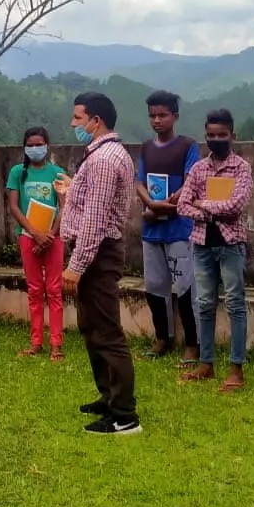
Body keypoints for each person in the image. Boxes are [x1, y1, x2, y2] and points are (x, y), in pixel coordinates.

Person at [60, 92, 140, 435]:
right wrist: (73, 190)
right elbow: (93, 202)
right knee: (91, 327)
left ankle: (124, 415)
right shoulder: (102, 154)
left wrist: (76, 266)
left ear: (97, 121)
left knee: (106, 331)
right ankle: (108, 397)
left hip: (97, 253)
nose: (73, 124)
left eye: (78, 118)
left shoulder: (104, 159)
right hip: (95, 250)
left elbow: (95, 219)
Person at [176, 110, 253, 392]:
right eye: (211, 135)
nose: (216, 139)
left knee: (235, 304)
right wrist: (210, 211)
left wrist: (203, 204)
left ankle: (236, 368)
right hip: (202, 244)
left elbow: (237, 205)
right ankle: (206, 363)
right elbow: (183, 205)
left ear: (233, 136)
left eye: (222, 135)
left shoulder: (241, 168)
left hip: (231, 244)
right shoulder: (198, 169)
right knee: (205, 304)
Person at [135, 90, 202, 364]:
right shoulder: (146, 148)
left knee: (186, 288)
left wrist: (167, 205)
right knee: (154, 287)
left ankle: (193, 343)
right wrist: (151, 203)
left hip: (179, 229)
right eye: (152, 116)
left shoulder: (188, 146)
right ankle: (163, 337)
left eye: (162, 115)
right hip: (152, 229)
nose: (157, 120)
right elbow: (139, 182)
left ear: (175, 116)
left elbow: (191, 181)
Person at [5, 126, 67, 361]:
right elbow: (14, 206)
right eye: (29, 145)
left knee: (54, 290)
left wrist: (50, 235)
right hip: (27, 237)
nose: (34, 149)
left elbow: (64, 207)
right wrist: (34, 233)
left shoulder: (58, 173)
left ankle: (56, 344)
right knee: (34, 290)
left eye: (38, 144)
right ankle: (36, 342)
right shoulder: (17, 172)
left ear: (47, 145)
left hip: (54, 238)